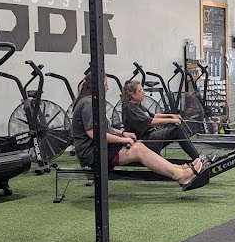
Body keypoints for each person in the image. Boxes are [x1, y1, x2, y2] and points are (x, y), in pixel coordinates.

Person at [71, 75, 199, 188]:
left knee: (139, 147)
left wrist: (122, 134)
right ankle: (181, 175)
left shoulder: (91, 102)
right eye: (105, 85)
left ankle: (180, 169)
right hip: (93, 153)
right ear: (97, 86)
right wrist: (122, 139)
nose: (107, 88)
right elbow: (94, 133)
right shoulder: (89, 104)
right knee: (139, 149)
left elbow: (103, 128)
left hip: (102, 148)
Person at [121, 79, 219, 176]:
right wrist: (171, 120)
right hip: (145, 141)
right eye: (140, 91)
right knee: (177, 130)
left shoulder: (137, 105)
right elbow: (150, 122)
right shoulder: (129, 108)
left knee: (175, 127)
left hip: (151, 136)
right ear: (132, 95)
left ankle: (198, 158)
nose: (143, 92)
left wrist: (172, 116)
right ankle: (198, 159)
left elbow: (153, 116)